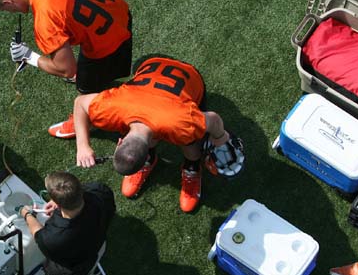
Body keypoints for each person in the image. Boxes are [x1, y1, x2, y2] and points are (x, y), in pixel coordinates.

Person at [68, 54, 244, 212]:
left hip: (189, 78)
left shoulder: (179, 124)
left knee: (188, 138)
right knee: (181, 130)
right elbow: (80, 103)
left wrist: (220, 138)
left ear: (120, 143)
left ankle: (192, 167)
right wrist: (82, 145)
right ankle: (179, 164)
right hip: (150, 67)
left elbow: (212, 119)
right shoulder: (111, 108)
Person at [0, 0, 132, 136]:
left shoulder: (44, 21)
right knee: (86, 70)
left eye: (5, 9)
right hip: (121, 13)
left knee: (84, 88)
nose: (9, 12)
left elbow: (66, 69)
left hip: (109, 47)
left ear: (8, 2)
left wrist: (29, 56)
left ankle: (87, 121)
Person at [19, 172, 114, 275]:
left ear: (59, 203)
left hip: (77, 269)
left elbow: (38, 234)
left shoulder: (54, 239)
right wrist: (59, 203)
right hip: (98, 246)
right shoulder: (99, 191)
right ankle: (94, 270)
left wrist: (26, 214)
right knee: (93, 263)